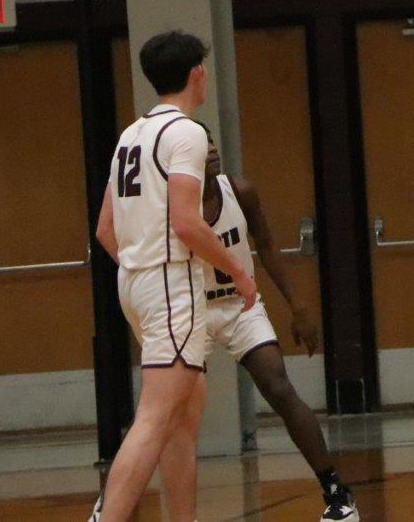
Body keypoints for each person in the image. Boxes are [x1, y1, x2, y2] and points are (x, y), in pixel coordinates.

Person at [91, 31, 258, 522]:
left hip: (135, 284)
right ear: (197, 73)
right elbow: (187, 223)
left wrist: (141, 268)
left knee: (183, 417)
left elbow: (104, 230)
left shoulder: (130, 134)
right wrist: (238, 272)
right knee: (155, 417)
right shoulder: (186, 133)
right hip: (168, 284)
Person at [197, 134, 358, 520]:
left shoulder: (239, 191)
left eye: (214, 143)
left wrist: (298, 306)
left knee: (279, 387)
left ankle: (336, 491)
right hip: (193, 308)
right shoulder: (172, 203)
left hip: (240, 305)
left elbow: (267, 246)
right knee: (171, 407)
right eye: (204, 147)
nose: (214, 151)